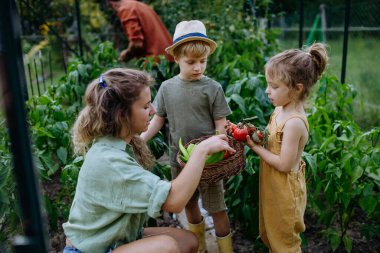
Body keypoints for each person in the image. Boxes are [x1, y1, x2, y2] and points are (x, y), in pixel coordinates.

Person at [62, 68, 235, 253]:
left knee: (188, 241)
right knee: (166, 247)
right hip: (91, 250)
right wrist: (201, 151)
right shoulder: (110, 161)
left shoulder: (117, 145)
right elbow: (175, 202)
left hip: (114, 239)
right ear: (122, 115)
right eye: (145, 106)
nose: (153, 111)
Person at [141, 20, 234, 253]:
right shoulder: (167, 88)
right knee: (189, 203)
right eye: (191, 62)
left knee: (217, 208)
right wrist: (141, 139)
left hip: (210, 161)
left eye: (202, 62)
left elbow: (220, 124)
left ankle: (226, 249)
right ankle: (200, 246)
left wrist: (222, 150)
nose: (198, 67)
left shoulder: (212, 88)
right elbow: (158, 121)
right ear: (176, 59)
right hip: (179, 159)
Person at [245, 43, 328, 253]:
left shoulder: (294, 123)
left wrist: (255, 147)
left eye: (274, 86)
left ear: (297, 88)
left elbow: (283, 164)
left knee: (286, 242)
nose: (267, 90)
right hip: (273, 185)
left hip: (285, 191)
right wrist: (258, 135)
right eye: (268, 84)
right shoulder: (280, 110)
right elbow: (274, 142)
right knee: (272, 234)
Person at [107, 0, 173, 62]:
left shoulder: (126, 10)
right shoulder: (136, 5)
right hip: (169, 55)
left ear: (111, 4)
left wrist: (126, 54)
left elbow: (137, 44)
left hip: (155, 60)